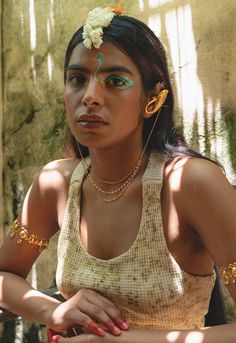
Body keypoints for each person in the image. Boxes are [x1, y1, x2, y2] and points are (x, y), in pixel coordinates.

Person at [0, 5, 236, 343]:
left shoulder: (191, 184)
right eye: (77, 79)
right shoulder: (55, 184)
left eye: (115, 81)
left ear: (152, 98)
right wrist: (50, 310)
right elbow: (4, 275)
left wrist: (114, 340)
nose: (90, 97)